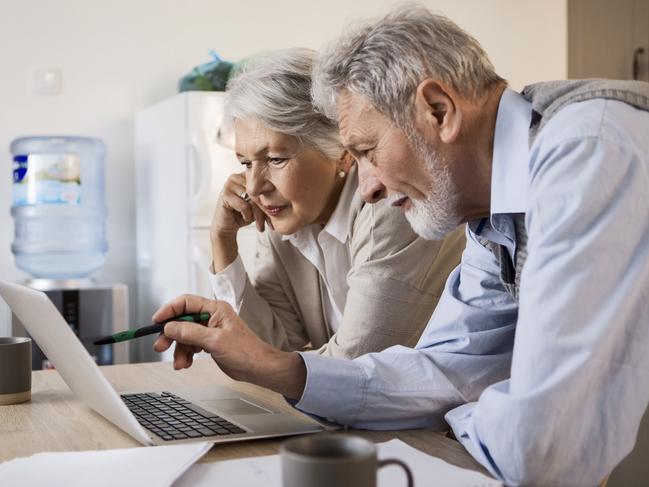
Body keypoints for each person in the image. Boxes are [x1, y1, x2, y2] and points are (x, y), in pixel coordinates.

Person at [153, 7, 649, 486]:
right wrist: (283, 370)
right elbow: (444, 371)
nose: (366, 186)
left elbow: (542, 450)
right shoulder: (493, 209)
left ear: (438, 111)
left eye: (367, 152)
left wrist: (461, 413)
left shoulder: (589, 151)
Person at [206, 48, 464, 359]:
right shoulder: (282, 219)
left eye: (275, 159)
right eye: (246, 163)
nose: (254, 186)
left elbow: (356, 365)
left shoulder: (390, 202)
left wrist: (263, 362)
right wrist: (222, 242)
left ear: (341, 150)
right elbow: (264, 350)